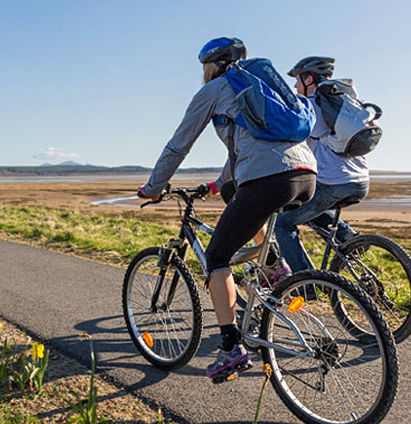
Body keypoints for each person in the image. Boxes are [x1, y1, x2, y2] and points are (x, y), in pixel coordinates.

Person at [138, 37, 317, 380]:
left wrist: (154, 187)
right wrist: (215, 186)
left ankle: (231, 348)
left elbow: (179, 144)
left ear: (211, 65)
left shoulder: (215, 89)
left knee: (218, 257)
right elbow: (243, 152)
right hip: (305, 175)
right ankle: (273, 267)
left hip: (270, 178)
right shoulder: (262, 87)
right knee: (235, 192)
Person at [274, 57, 370, 276]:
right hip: (360, 180)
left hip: (334, 181)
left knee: (283, 224)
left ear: (309, 79)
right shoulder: (342, 102)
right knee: (307, 207)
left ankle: (306, 283)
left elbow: (293, 139)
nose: (295, 86)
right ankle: (349, 238)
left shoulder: (313, 105)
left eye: (298, 80)